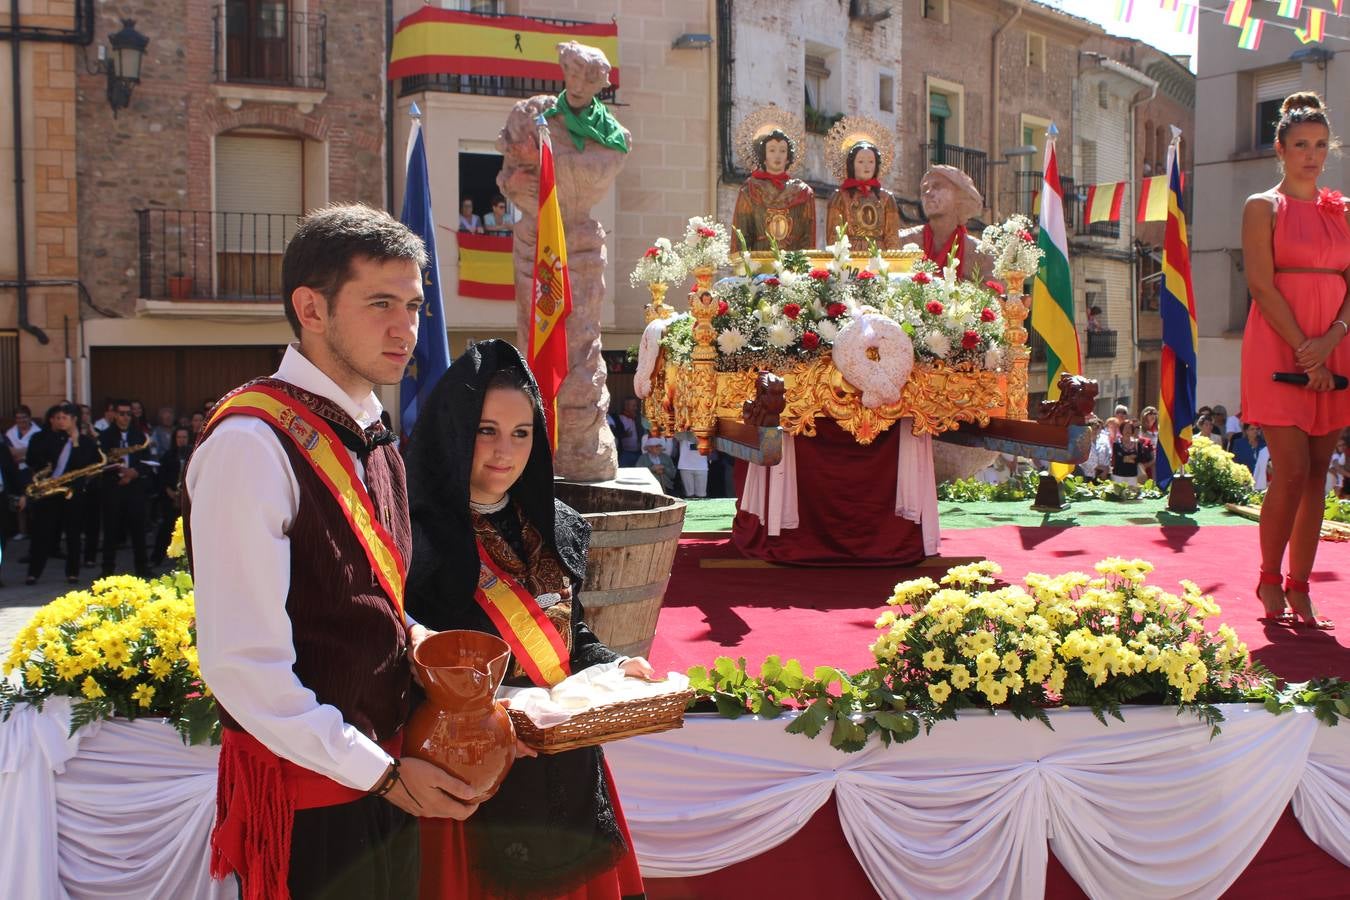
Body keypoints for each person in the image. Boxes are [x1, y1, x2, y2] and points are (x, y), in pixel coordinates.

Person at [185, 204, 480, 899]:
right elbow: (244, 668)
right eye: (380, 302)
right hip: (311, 799)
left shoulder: (373, 430)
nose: (405, 328)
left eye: (412, 304)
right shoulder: (249, 444)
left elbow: (367, 605)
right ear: (310, 309)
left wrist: (453, 674)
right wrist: (379, 771)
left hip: (379, 775)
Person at [404, 339, 650, 900]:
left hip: (567, 765)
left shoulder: (557, 524)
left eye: (522, 433)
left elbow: (571, 632)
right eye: (486, 430)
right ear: (454, 430)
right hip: (472, 775)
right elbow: (404, 661)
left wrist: (614, 666)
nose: (504, 451)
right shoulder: (414, 538)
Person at [1239, 91, 1347, 630]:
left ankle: (1300, 586)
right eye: (1301, 144)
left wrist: (1332, 340)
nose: (1312, 153)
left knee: (1317, 475)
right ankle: (1267, 576)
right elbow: (1260, 284)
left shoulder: (1343, 210)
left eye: (1321, 144)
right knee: (1292, 469)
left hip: (1336, 347)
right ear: (1280, 149)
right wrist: (1309, 351)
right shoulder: (1262, 205)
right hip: (1279, 345)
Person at [21, 403, 99, 586]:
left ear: (74, 420)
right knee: (42, 533)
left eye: (64, 418)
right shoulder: (43, 437)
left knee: (73, 534)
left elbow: (86, 464)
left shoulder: (85, 442)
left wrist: (76, 442)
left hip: (72, 493)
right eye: (58, 418)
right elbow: (33, 458)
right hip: (48, 491)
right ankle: (33, 573)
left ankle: (72, 572)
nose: (60, 421)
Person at [897, 165, 993, 282]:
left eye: (937, 186)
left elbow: (995, 295)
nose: (928, 193)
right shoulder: (902, 241)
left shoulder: (981, 254)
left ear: (959, 196)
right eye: (924, 189)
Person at [732, 121, 816, 252]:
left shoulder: (803, 192)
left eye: (782, 151)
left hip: (793, 264)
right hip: (759, 263)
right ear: (763, 157)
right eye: (772, 150)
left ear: (788, 158)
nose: (777, 155)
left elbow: (808, 236)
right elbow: (741, 234)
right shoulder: (750, 189)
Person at [97, 400, 152, 577]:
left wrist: (134, 472)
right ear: (114, 415)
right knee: (111, 530)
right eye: (121, 413)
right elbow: (100, 462)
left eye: (128, 414)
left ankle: (142, 568)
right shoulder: (105, 436)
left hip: (134, 488)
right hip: (113, 487)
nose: (125, 417)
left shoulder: (140, 435)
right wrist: (120, 473)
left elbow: (148, 462)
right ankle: (107, 570)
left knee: (138, 530)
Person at [824, 131, 901, 252]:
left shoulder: (886, 199)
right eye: (861, 161)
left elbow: (892, 237)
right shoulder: (839, 197)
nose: (867, 166)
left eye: (871, 161)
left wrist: (893, 263)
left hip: (879, 257)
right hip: (850, 258)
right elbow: (834, 236)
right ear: (851, 165)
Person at [150, 425, 190, 566]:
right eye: (179, 437)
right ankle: (156, 559)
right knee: (166, 528)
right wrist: (169, 491)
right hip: (171, 497)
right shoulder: (168, 455)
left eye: (184, 437)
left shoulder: (193, 453)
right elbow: (162, 476)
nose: (182, 440)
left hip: (188, 498)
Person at [1111, 420, 1150, 486]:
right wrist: (1130, 458)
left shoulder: (1137, 444)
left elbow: (1141, 459)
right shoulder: (1116, 444)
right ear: (1122, 430)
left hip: (1133, 476)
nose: (1127, 430)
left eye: (1129, 428)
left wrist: (1126, 458)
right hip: (1118, 476)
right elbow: (1117, 459)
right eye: (1125, 428)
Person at [614, 396, 641, 467]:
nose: (636, 408)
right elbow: (615, 434)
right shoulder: (620, 419)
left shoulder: (637, 418)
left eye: (636, 406)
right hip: (626, 454)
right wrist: (624, 434)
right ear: (626, 406)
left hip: (639, 453)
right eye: (633, 406)